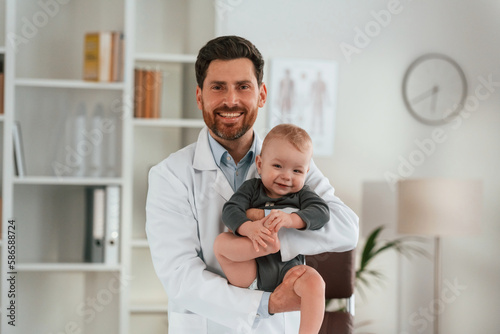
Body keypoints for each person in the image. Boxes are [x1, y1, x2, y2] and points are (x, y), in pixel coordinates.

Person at [145, 35, 359, 333]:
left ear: (261, 95)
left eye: (243, 87)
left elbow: (347, 228)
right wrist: (267, 304)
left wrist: (272, 231)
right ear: (200, 97)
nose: (230, 100)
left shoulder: (290, 164)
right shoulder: (170, 175)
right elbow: (180, 277)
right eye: (218, 87)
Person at [214, 123, 329, 334]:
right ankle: (267, 245)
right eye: (278, 166)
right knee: (221, 242)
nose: (287, 176)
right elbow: (230, 210)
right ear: (260, 164)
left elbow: (322, 212)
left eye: (297, 170)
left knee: (315, 283)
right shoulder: (252, 189)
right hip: (251, 271)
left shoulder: (302, 194)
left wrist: (291, 219)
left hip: (289, 271)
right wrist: (248, 229)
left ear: (306, 172)